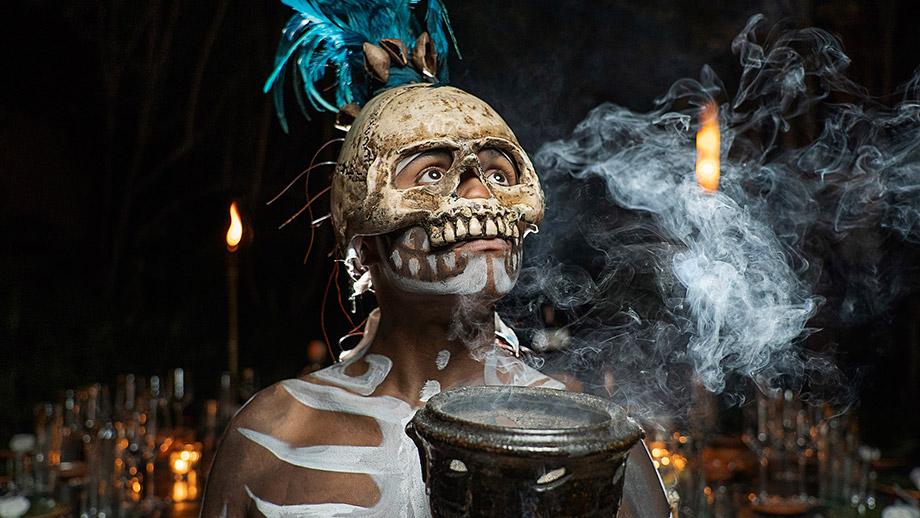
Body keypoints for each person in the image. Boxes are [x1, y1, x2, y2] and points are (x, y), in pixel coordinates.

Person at [202, 2, 670, 516]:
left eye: (498, 173)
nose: (479, 193)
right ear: (362, 240)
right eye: (430, 173)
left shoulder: (589, 441)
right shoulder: (270, 436)